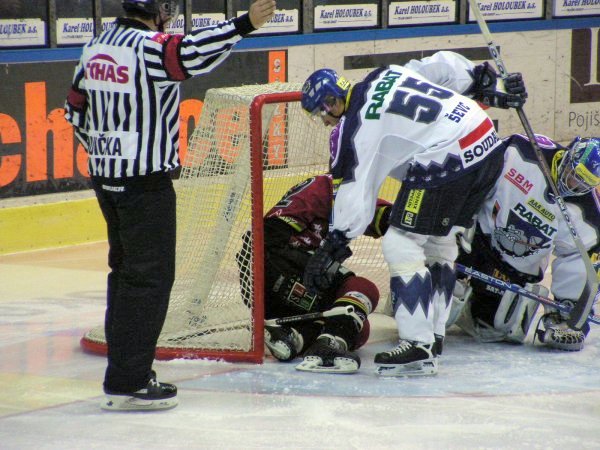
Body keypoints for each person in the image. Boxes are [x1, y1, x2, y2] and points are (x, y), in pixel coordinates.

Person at [63, 0, 276, 411]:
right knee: (149, 281)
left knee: (125, 274)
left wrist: (104, 156)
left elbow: (74, 111)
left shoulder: (95, 46)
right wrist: (244, 24)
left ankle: (123, 371)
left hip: (106, 180)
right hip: (144, 184)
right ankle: (130, 380)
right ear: (158, 10)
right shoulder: (149, 47)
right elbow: (192, 51)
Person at [299, 51, 527, 376]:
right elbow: (442, 66)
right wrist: (488, 84)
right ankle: (433, 336)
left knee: (401, 243)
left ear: (333, 100)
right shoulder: (386, 73)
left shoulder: (354, 129)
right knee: (440, 242)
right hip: (486, 142)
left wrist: (334, 244)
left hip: (447, 157)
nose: (324, 121)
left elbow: (354, 190)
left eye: (322, 112)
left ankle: (417, 345)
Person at [448, 133, 600, 351]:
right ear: (567, 156)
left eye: (584, 183)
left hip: (513, 273)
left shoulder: (589, 216)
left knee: (497, 328)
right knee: (439, 299)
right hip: (476, 242)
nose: (574, 185)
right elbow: (476, 176)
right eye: (574, 174)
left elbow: (581, 262)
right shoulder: (521, 151)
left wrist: (572, 313)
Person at [237, 173, 391, 373]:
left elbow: (384, 217)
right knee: (364, 288)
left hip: (265, 291)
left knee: (356, 326)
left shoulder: (340, 189)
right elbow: (268, 236)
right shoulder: (326, 187)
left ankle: (294, 337)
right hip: (273, 268)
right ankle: (329, 343)